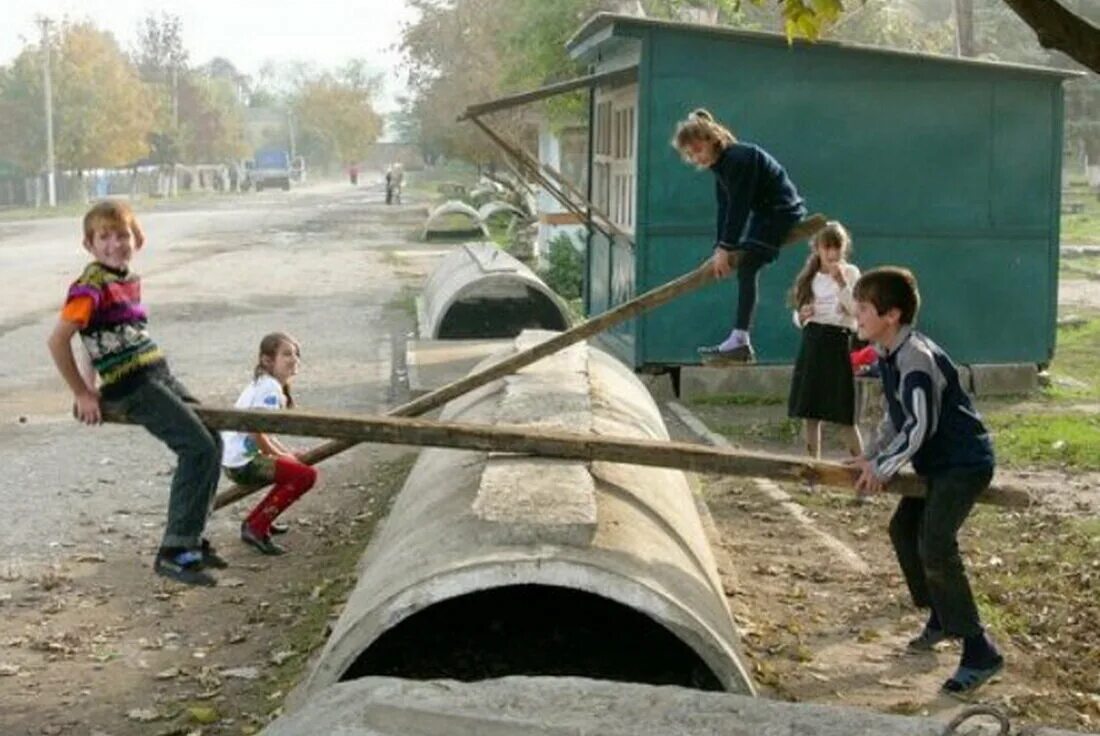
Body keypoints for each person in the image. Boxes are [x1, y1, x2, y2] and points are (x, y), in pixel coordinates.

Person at [46, 201, 225, 587]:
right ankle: (174, 552)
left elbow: (93, 338)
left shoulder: (126, 278)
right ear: (89, 245)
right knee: (198, 448)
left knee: (213, 437)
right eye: (104, 237)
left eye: (122, 235)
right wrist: (83, 392)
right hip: (133, 387)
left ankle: (192, 539)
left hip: (157, 373)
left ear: (137, 239)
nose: (115, 244)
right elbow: (59, 339)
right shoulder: (89, 287)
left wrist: (90, 381)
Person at [849, 267, 1003, 695]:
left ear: (891, 315)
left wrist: (883, 469)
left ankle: (979, 650)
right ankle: (939, 613)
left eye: (863, 308)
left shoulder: (915, 357)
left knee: (936, 543)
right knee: (903, 529)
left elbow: (920, 426)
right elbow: (893, 417)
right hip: (936, 464)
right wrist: (872, 453)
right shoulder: (887, 353)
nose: (856, 315)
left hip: (963, 463)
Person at [672, 108, 808, 363]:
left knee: (748, 266)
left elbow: (739, 205)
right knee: (746, 262)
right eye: (691, 155)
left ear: (713, 140)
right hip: (765, 213)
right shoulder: (721, 165)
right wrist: (719, 249)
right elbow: (724, 207)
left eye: (698, 150)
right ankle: (739, 339)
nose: (696, 158)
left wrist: (727, 248)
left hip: (780, 210)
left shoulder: (738, 159)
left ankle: (740, 340)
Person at [221, 333, 318, 556]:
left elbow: (266, 434)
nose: (294, 359)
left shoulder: (266, 384)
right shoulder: (270, 389)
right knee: (305, 476)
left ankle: (260, 519)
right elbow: (256, 431)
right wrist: (282, 457)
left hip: (236, 457)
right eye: (286, 354)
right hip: (243, 462)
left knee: (295, 470)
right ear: (267, 360)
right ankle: (257, 526)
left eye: (296, 354)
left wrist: (286, 454)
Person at [787, 221, 863, 459]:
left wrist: (841, 283)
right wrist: (801, 316)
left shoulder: (851, 273)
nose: (832, 253)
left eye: (837, 247)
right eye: (827, 247)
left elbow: (857, 311)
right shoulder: (809, 277)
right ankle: (813, 470)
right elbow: (797, 313)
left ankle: (861, 467)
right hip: (813, 342)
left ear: (844, 248)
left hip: (838, 341)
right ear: (817, 248)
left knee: (844, 414)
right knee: (811, 413)